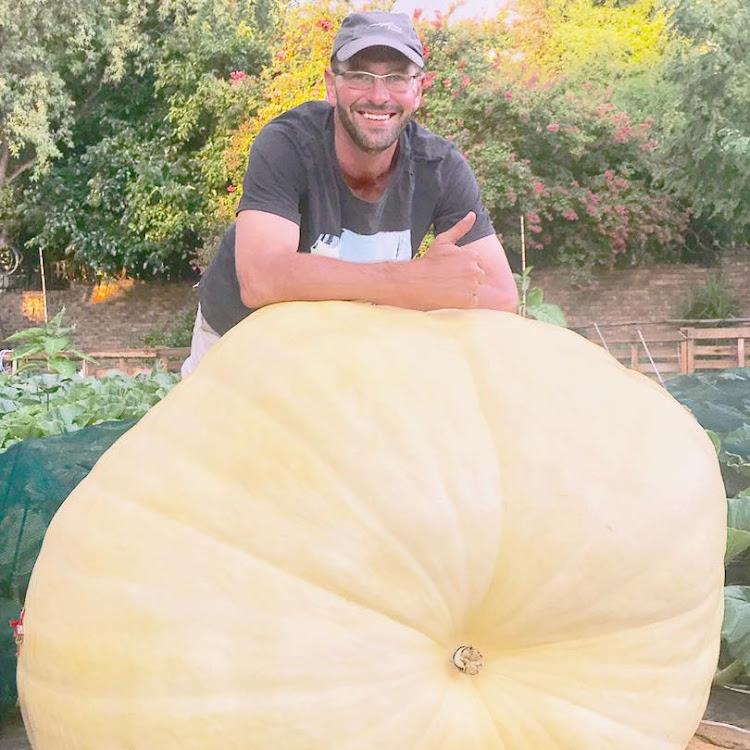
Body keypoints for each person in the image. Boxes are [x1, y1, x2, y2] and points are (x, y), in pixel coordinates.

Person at [181, 11, 519, 377]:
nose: (378, 95)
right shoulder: (286, 144)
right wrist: (413, 283)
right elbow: (260, 277)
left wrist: (431, 286)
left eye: (397, 77)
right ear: (331, 84)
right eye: (360, 75)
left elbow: (501, 294)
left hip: (335, 350)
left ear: (418, 90)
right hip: (237, 334)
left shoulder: (441, 167)